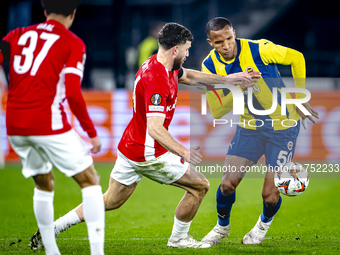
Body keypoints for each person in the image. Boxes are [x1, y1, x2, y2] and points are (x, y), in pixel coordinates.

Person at [29, 22, 257, 249]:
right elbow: (155, 128)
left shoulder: (159, 64)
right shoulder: (157, 80)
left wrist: (229, 79)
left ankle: (53, 228)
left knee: (111, 200)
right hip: (149, 152)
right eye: (186, 49)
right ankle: (178, 239)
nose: (188, 54)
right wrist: (183, 151)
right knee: (200, 186)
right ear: (175, 49)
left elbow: (190, 77)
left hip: (130, 147)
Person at [200, 17, 319, 245]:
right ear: (210, 42)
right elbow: (215, 111)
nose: (226, 45)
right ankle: (221, 227)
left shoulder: (260, 48)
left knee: (270, 194)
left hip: (282, 127)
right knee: (226, 185)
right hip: (249, 128)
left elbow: (297, 58)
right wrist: (236, 86)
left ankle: (262, 225)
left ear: (234, 33)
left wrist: (300, 95)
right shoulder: (209, 66)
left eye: (229, 38)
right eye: (218, 42)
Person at [0, 0, 105, 254]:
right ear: (73, 13)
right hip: (48, 124)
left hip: (15, 125)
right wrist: (91, 133)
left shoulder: (15, 35)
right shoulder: (72, 42)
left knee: (43, 183)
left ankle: (51, 250)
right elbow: (72, 93)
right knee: (91, 181)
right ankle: (97, 252)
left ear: (45, 12)